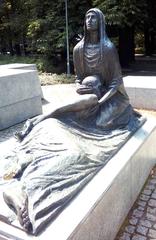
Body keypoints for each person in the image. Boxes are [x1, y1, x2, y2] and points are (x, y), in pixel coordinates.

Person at [2, 8, 144, 235]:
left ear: (101, 22)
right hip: (88, 95)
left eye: (93, 17)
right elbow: (78, 79)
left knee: (103, 124)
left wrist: (100, 101)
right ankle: (22, 184)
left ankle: (24, 184)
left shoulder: (107, 49)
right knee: (73, 123)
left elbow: (116, 81)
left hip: (111, 97)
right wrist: (83, 90)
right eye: (87, 17)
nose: (89, 20)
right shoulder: (79, 49)